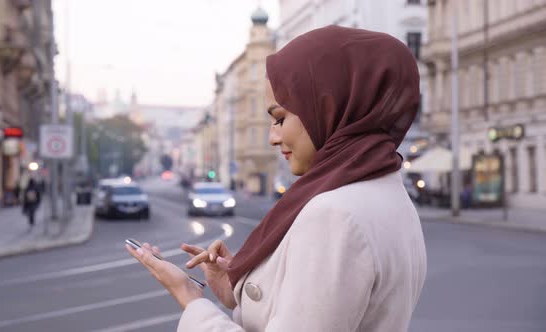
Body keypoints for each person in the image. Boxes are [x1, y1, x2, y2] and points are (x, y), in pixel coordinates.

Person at [126, 25, 427, 331]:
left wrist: (189, 299)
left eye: (281, 118)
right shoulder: (388, 194)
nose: (273, 136)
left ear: (329, 107)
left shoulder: (334, 214)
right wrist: (244, 286)